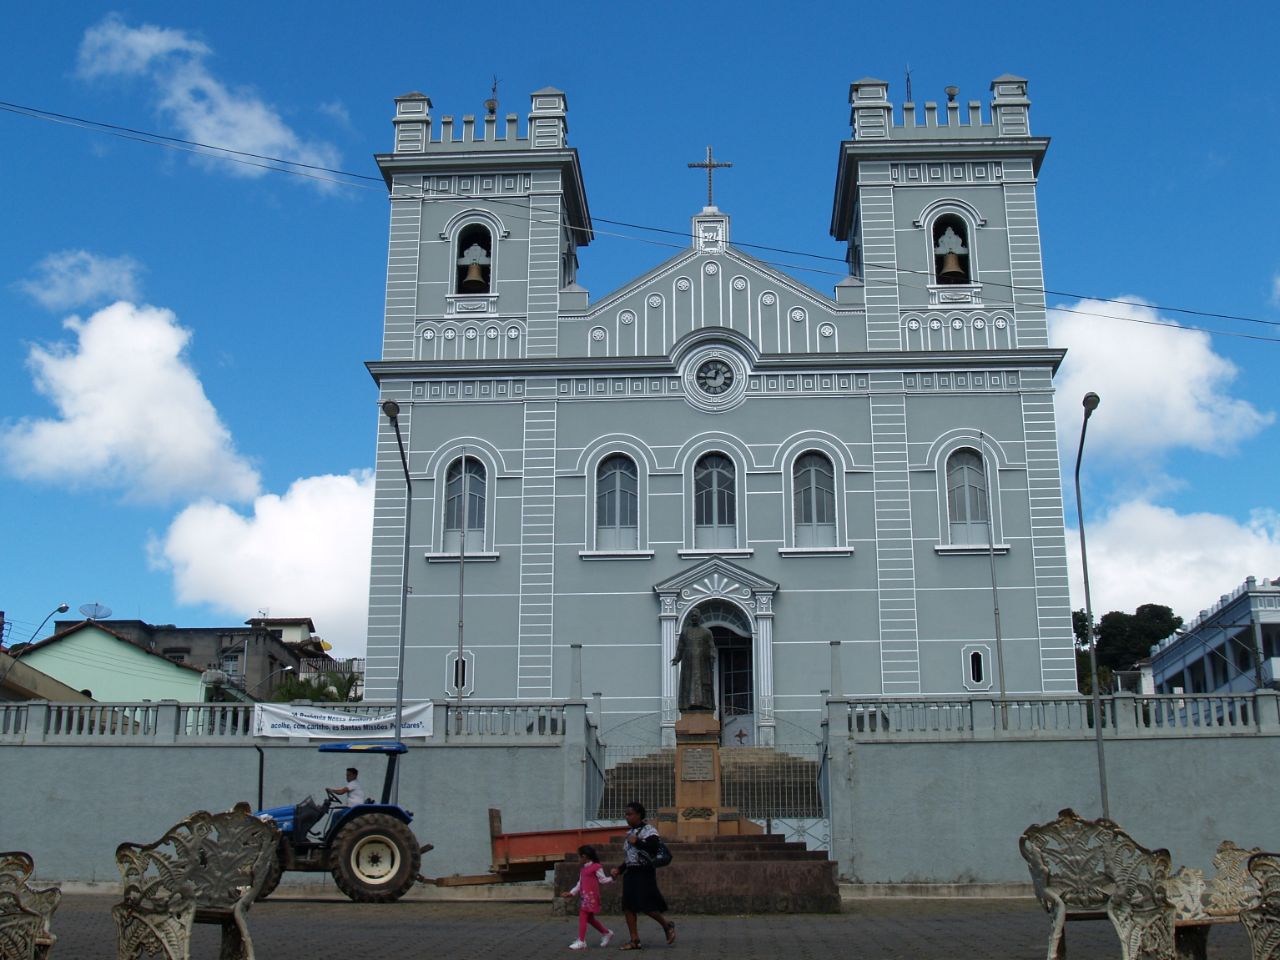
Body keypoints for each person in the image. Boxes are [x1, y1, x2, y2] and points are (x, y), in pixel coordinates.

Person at [609, 802, 675, 950]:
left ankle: (667, 926)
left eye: (629, 814)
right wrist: (619, 869)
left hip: (644, 872)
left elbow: (653, 848)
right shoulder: (630, 833)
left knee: (646, 905)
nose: (627, 817)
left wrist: (638, 841)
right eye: (626, 814)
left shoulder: (649, 830)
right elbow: (630, 857)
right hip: (631, 872)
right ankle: (635, 940)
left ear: (639, 814)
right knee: (628, 907)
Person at [561, 844, 613, 950]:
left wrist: (613, 877)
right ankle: (606, 933)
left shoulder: (596, 867)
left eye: (579, 856)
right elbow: (579, 883)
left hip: (591, 897)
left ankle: (581, 940)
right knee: (589, 918)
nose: (579, 859)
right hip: (585, 897)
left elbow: (603, 880)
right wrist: (571, 893)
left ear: (584, 857)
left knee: (583, 915)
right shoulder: (584, 869)